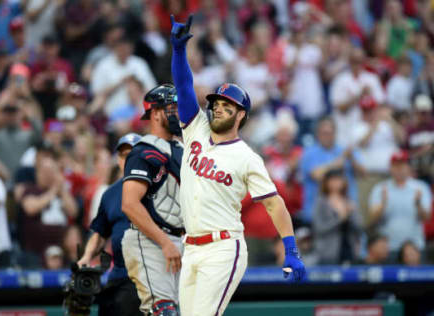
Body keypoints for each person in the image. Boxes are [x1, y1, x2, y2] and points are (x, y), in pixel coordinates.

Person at [170, 15, 305, 316]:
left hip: (223, 248)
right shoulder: (196, 129)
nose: (218, 109)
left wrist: (291, 248)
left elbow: (274, 204)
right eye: (216, 105)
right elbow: (183, 85)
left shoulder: (246, 157)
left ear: (240, 115)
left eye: (226, 106)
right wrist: (178, 54)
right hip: (190, 247)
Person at [121, 84, 184, 315]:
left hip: (180, 239)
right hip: (151, 240)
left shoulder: (181, 148)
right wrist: (164, 242)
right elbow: (129, 204)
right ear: (156, 113)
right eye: (172, 108)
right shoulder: (142, 151)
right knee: (164, 311)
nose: (178, 113)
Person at [77, 132, 143, 316]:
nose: (127, 159)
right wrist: (87, 256)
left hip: (148, 275)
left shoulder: (158, 188)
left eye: (133, 154)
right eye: (123, 155)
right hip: (120, 273)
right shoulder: (110, 194)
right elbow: (99, 232)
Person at [368, 151, 432, 259]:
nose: (399, 169)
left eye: (402, 165)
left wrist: (418, 204)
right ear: (390, 168)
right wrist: (383, 204)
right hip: (388, 248)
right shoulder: (380, 189)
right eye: (395, 166)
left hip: (415, 247)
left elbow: (427, 217)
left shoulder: (421, 187)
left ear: (409, 167)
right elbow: (372, 219)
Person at [312, 169, 363, 265]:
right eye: (332, 180)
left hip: (349, 250)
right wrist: (340, 219)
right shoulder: (321, 202)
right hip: (328, 252)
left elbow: (359, 227)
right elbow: (319, 228)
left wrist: (350, 215)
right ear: (326, 183)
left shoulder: (349, 201)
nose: (336, 183)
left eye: (339, 179)